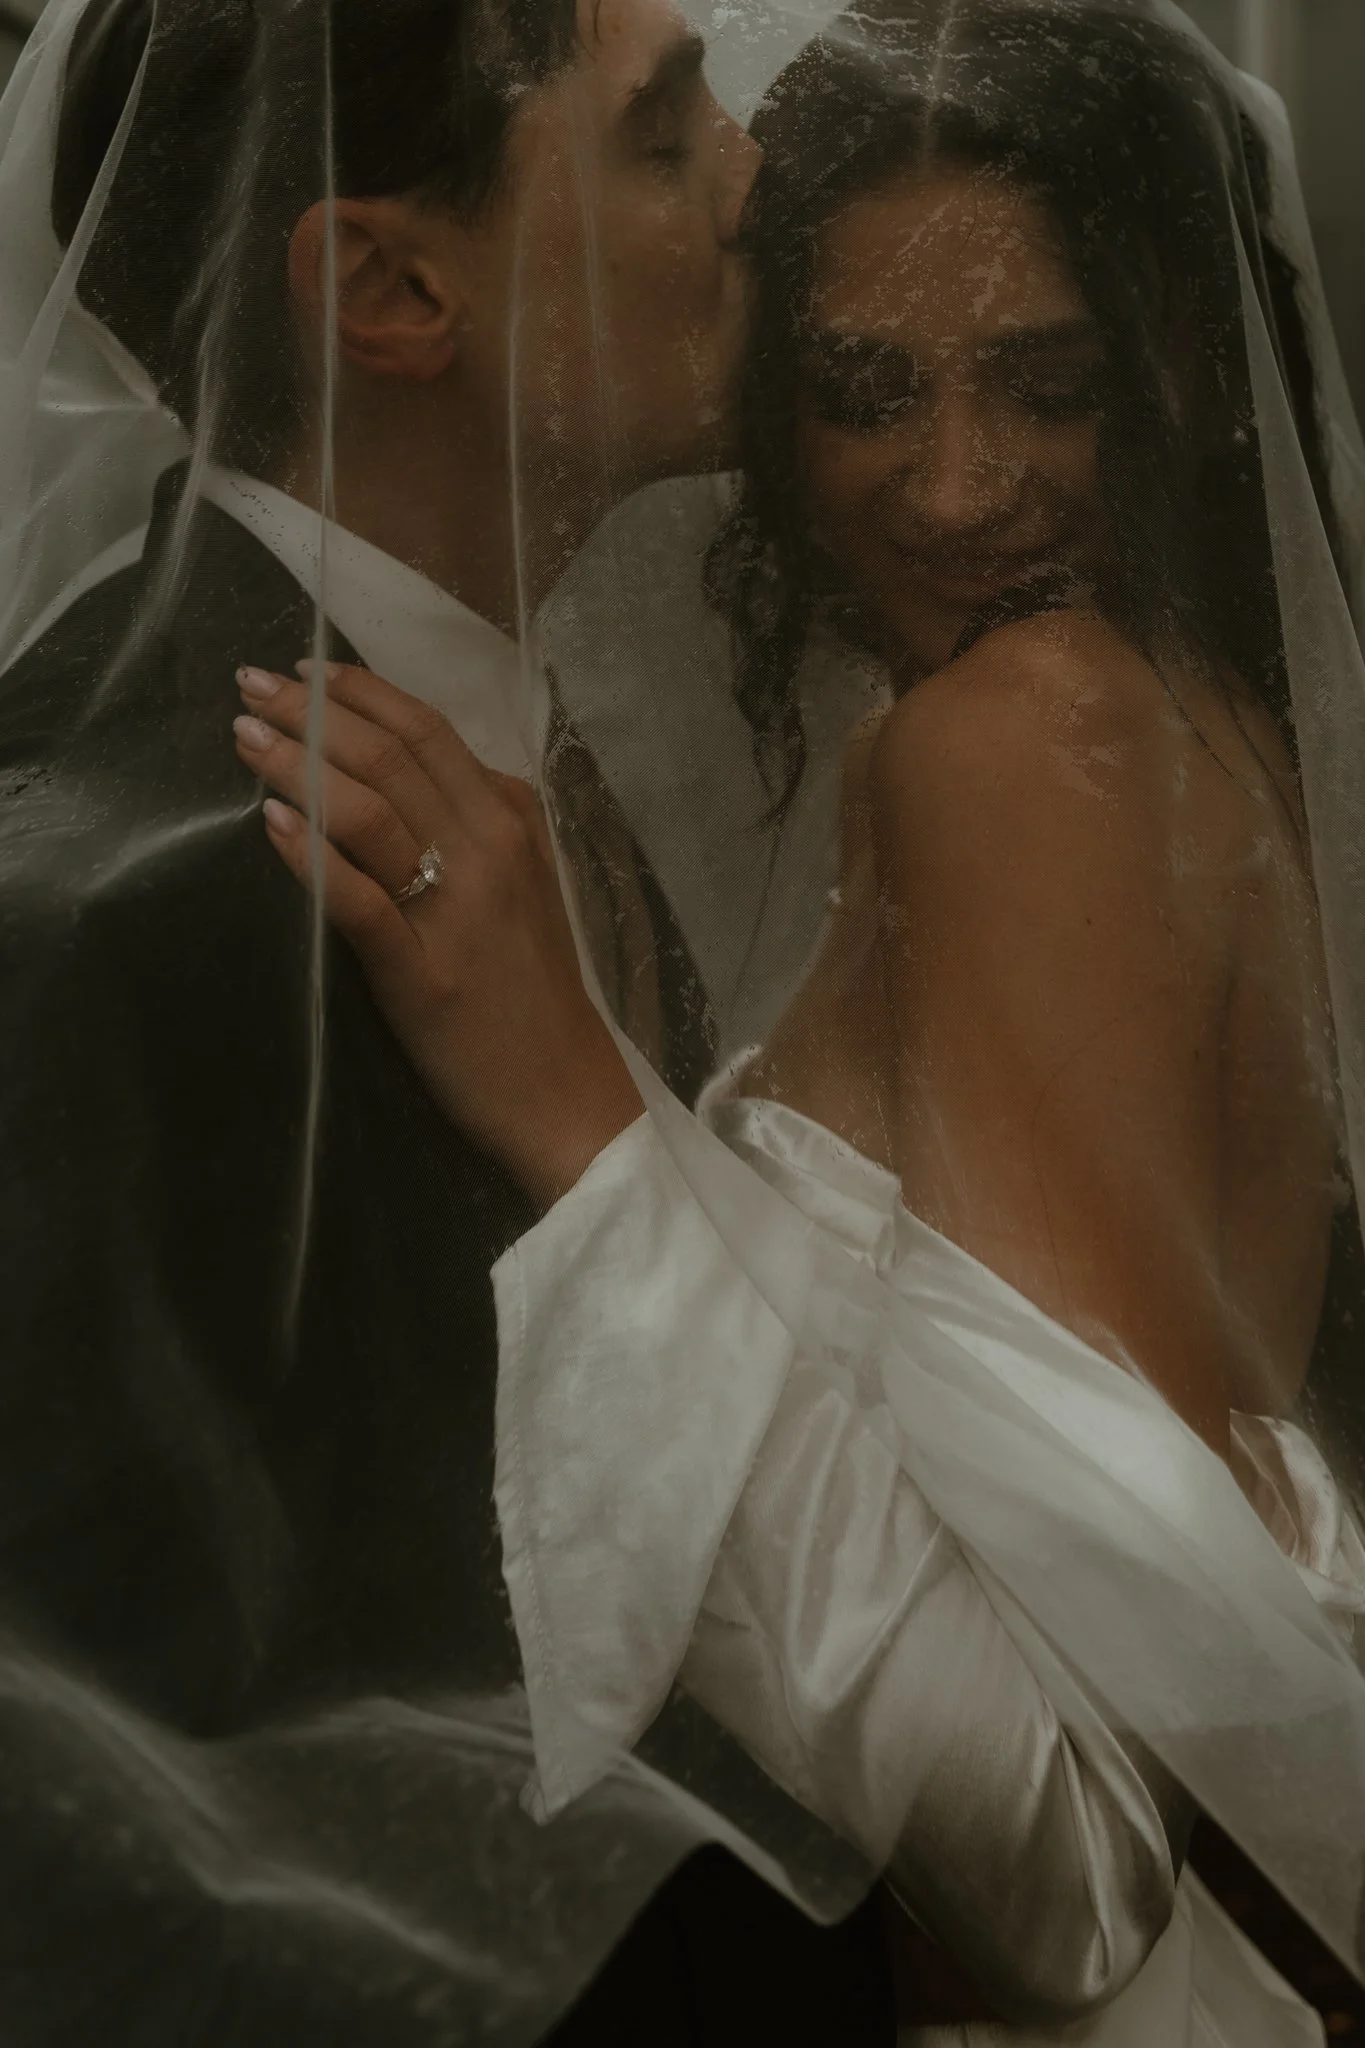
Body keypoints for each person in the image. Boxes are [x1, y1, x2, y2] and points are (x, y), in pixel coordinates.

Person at [0, 0, 1194, 2037]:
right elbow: (169, 1818)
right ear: (393, 286)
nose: (752, 173)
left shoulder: (496, 774)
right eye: (660, 130)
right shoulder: (159, 899)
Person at [253, 1, 1365, 2043]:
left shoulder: (1023, 747)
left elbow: (1091, 1819)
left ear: (1179, 371)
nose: (959, 486)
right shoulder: (1152, 714)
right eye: (867, 388)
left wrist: (580, 1107)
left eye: (1051, 386)